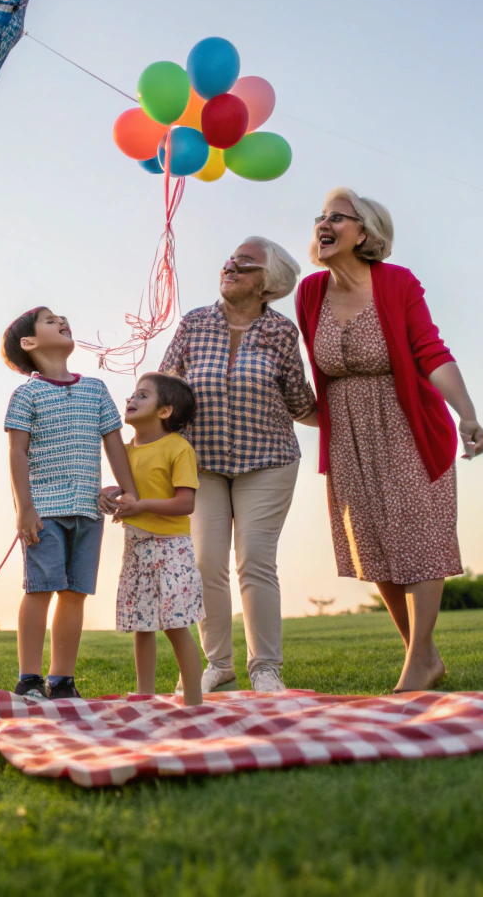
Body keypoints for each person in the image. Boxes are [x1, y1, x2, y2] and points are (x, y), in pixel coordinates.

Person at [294, 187, 483, 693]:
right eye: (321, 216)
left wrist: (466, 413)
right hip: (348, 437)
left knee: (420, 535)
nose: (324, 223)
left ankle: (421, 657)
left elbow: (430, 350)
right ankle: (419, 654)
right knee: (374, 546)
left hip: (408, 424)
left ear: (366, 232)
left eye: (338, 216)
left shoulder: (397, 282)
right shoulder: (310, 292)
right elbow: (320, 373)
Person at [159, 237, 316, 694]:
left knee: (255, 562)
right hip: (200, 464)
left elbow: (298, 400)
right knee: (206, 562)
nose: (231, 266)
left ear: (268, 285)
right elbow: (166, 388)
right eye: (230, 260)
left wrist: (346, 418)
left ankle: (266, 668)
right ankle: (219, 665)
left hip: (267, 461)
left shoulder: (282, 333)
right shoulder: (194, 324)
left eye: (245, 264)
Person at [2, 307, 138, 700]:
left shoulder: (95, 389)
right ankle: (29, 678)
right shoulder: (26, 393)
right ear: (30, 343)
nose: (62, 320)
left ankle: (62, 679)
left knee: (75, 593)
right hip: (44, 511)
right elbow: (16, 454)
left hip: (88, 512)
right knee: (40, 589)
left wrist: (130, 493)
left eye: (61, 317)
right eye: (49, 320)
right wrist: (24, 508)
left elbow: (114, 445)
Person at [101, 372, 205, 706]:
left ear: (164, 411)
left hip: (170, 548)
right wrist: (109, 492)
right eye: (132, 394)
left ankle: (193, 701)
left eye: (142, 395)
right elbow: (129, 488)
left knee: (176, 625)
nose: (130, 399)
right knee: (142, 624)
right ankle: (144, 697)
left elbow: (185, 503)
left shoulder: (178, 448)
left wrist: (140, 505)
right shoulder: (126, 451)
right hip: (137, 546)